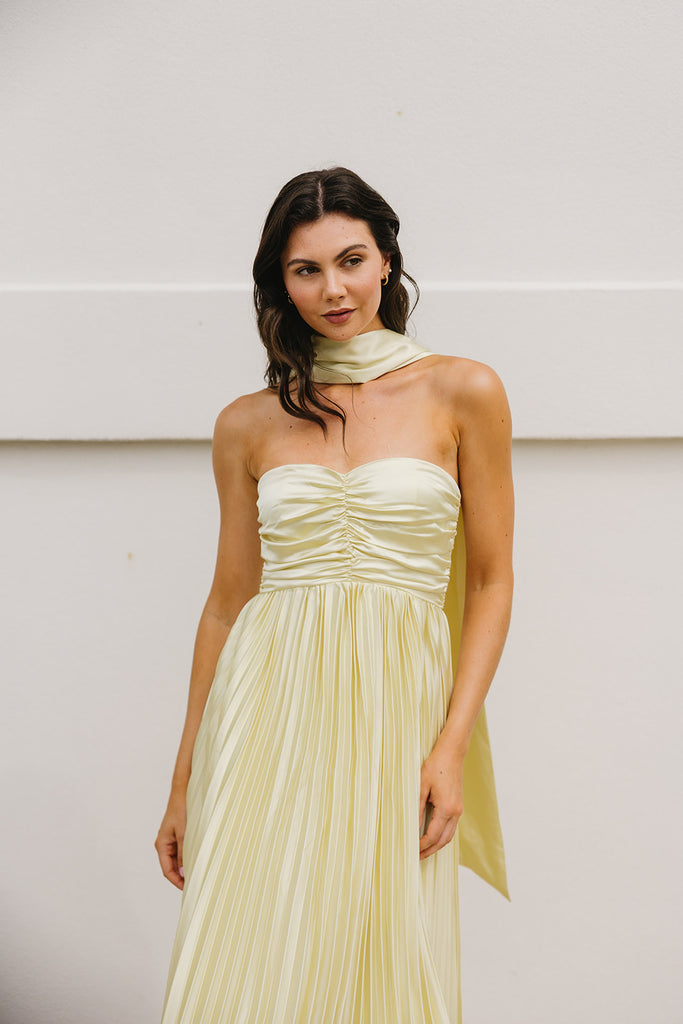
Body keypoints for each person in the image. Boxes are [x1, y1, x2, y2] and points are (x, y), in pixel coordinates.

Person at [155, 166, 514, 1024]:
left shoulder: (463, 390)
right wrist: (183, 779)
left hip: (397, 707)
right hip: (265, 706)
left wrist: (449, 748)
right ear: (280, 285)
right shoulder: (247, 422)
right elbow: (226, 602)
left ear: (386, 259)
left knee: (382, 947)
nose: (333, 289)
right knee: (250, 950)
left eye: (350, 260)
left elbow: (492, 579)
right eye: (305, 270)